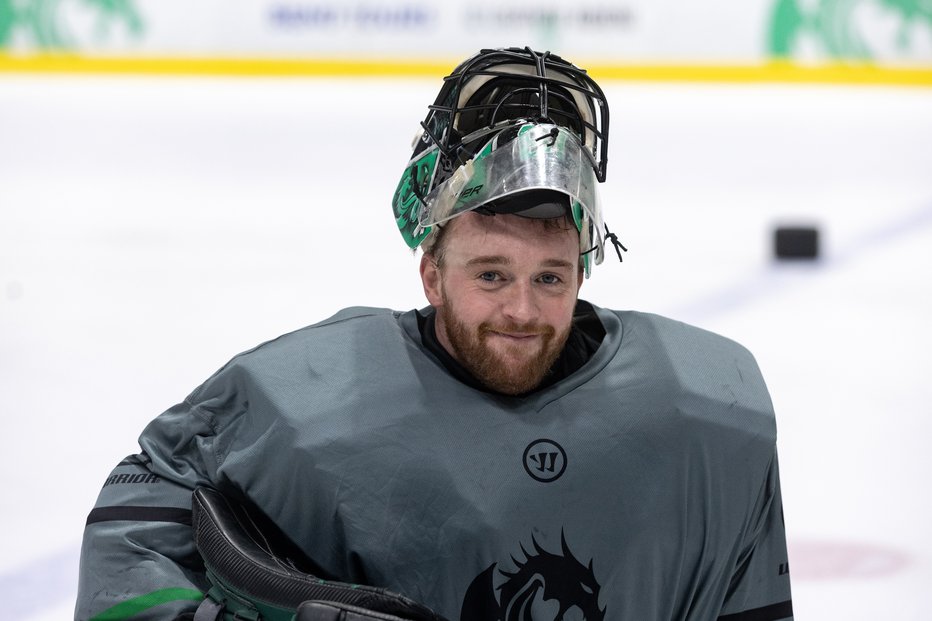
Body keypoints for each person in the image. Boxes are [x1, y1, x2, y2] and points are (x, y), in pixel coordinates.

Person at [75, 47, 793, 621]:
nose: (521, 309)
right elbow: (136, 527)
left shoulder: (706, 410)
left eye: (550, 277)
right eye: (489, 275)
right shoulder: (302, 403)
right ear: (431, 273)